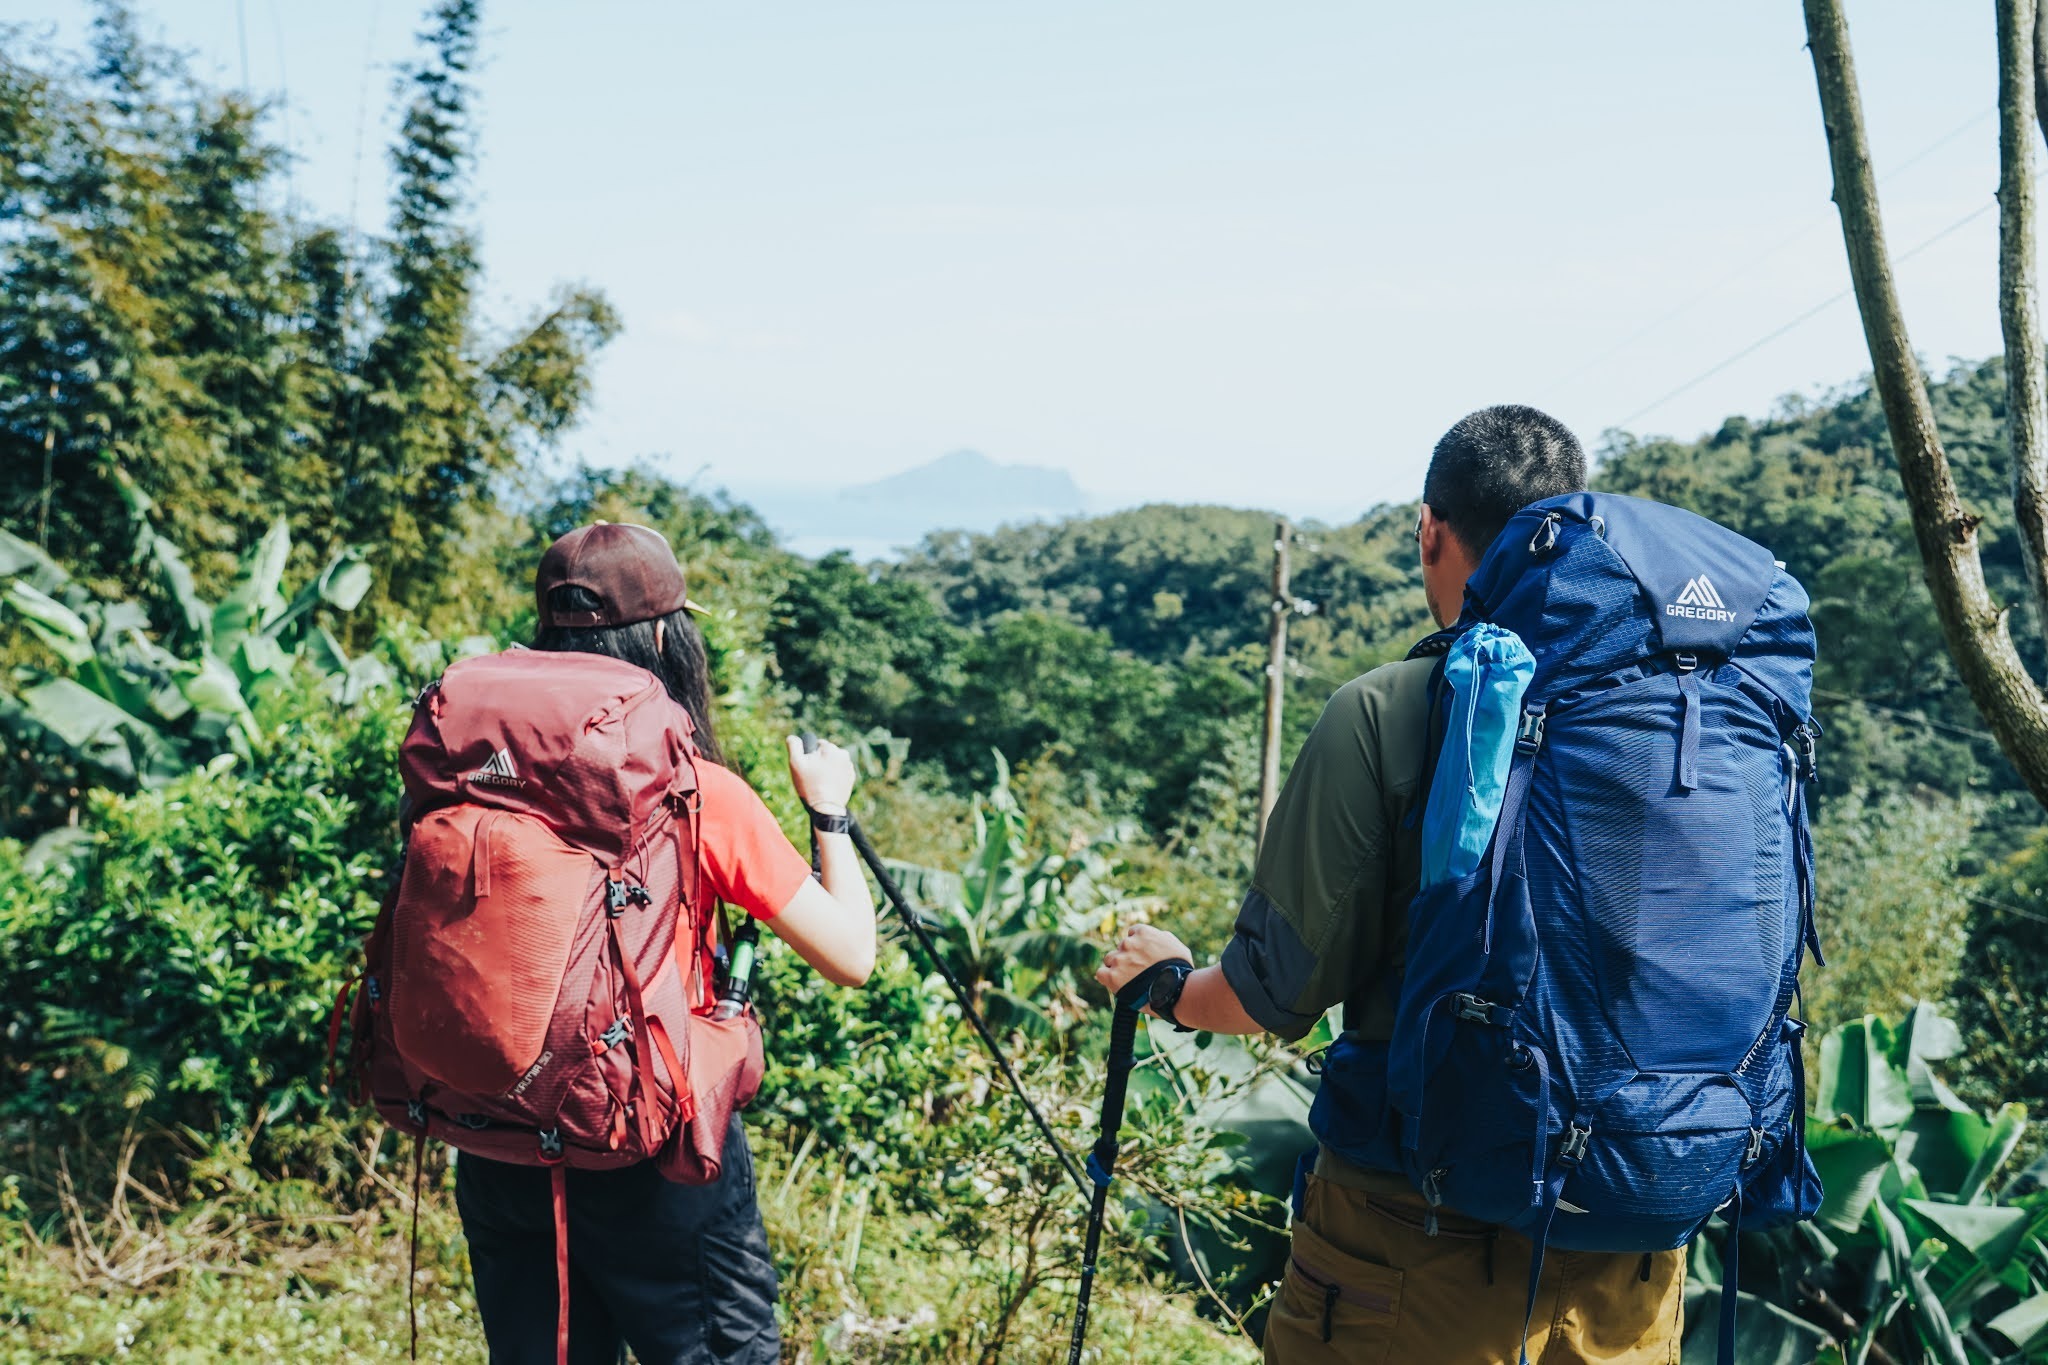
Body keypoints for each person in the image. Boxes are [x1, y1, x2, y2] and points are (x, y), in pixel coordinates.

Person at [1097, 407, 1687, 1364]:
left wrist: (1167, 982)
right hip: (1635, 1250)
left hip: (1414, 1251)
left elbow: (1267, 994)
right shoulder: (1673, 710)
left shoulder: (1387, 710)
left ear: (1430, 530)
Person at [453, 521, 877, 1365]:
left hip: (498, 1133)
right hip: (653, 1149)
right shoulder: (693, 791)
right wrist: (828, 810)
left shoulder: (471, 765)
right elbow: (851, 955)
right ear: (661, 636)